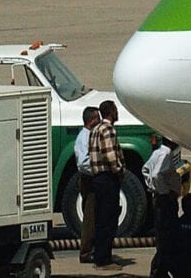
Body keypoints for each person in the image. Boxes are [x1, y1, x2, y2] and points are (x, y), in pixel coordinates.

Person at [89, 99, 127, 270]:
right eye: (116, 110)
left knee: (100, 219)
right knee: (108, 220)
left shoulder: (95, 130)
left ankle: (99, 255)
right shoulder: (108, 130)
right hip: (107, 179)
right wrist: (119, 172)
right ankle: (104, 259)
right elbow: (110, 155)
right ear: (111, 112)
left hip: (97, 178)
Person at [144, 136, 183, 278]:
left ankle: (161, 268)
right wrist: (166, 192)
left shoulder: (157, 153)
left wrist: (152, 186)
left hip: (160, 198)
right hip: (166, 201)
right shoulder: (166, 154)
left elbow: (146, 170)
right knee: (167, 236)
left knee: (162, 235)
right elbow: (156, 174)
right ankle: (160, 269)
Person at [74, 106, 100, 264]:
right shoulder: (84, 138)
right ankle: (86, 252)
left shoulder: (92, 135)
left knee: (96, 216)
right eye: (97, 118)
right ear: (91, 120)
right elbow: (83, 163)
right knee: (90, 217)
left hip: (93, 178)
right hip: (89, 180)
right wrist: (99, 167)